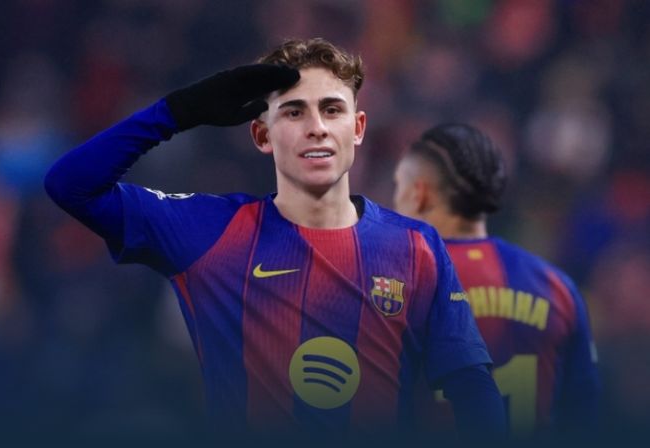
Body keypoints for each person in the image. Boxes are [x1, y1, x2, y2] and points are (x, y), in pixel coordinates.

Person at [44, 38, 504, 440]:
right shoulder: (208, 231)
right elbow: (71, 185)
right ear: (262, 135)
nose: (316, 126)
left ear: (358, 128)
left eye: (332, 109)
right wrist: (178, 112)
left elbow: (471, 388)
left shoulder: (416, 246)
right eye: (294, 111)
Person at [393, 123, 600, 440]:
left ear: (419, 193)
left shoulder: (397, 285)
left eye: (398, 185)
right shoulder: (557, 287)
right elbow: (586, 419)